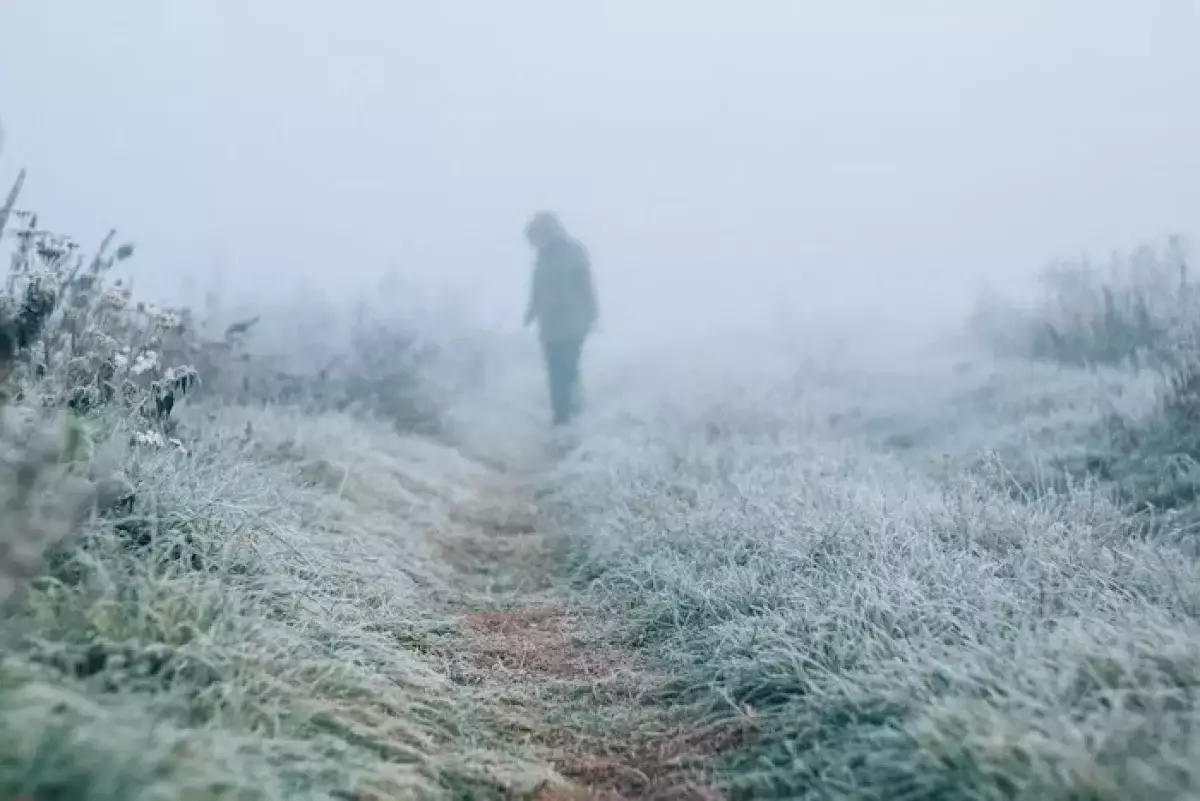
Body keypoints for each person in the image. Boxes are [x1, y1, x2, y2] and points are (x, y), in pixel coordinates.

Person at [522, 211, 598, 426]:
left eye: (538, 237)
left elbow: (586, 284)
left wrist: (592, 313)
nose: (536, 243)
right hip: (550, 326)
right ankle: (566, 416)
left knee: (565, 370)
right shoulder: (542, 258)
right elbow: (537, 288)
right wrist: (531, 311)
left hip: (572, 323)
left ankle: (567, 418)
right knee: (556, 372)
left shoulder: (573, 252)